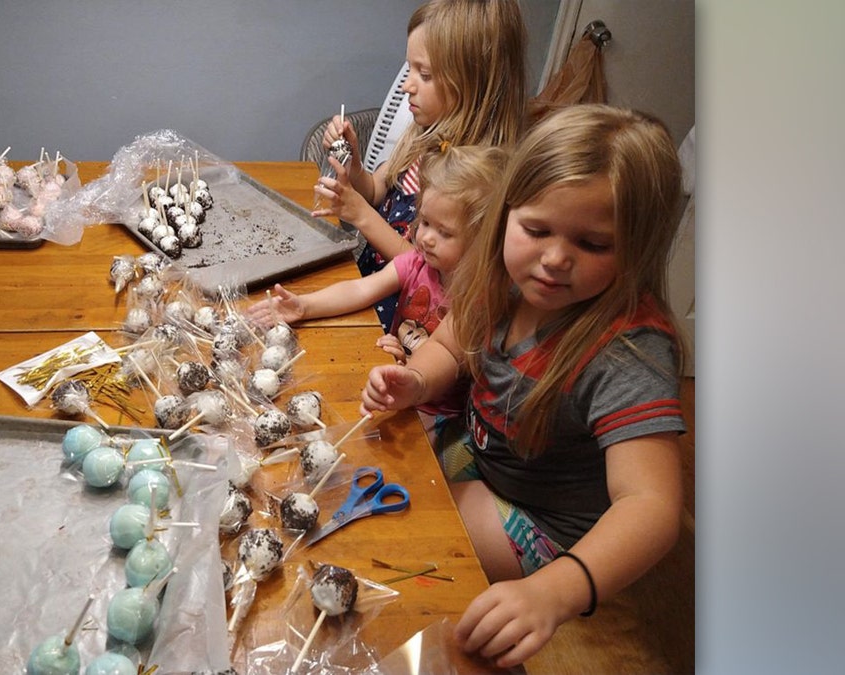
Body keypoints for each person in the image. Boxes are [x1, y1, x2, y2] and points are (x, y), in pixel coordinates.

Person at [360, 104, 687, 668]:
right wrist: (417, 380)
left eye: (594, 244)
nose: (555, 259)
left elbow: (652, 505)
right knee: (379, 471)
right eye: (537, 230)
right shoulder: (499, 278)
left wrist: (556, 591)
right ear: (505, 215)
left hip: (550, 526)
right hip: (487, 459)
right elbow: (448, 345)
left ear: (637, 248)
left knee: (406, 531)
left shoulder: (629, 351)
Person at [246, 145, 506, 441]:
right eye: (425, 222)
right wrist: (305, 306)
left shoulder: (480, 298)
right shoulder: (419, 262)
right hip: (393, 381)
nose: (426, 238)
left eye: (444, 232)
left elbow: (445, 358)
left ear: (485, 240)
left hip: (440, 415)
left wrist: (411, 372)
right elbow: (361, 288)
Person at [312, 0, 526, 333]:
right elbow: (375, 189)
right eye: (409, 69)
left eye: (424, 74)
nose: (406, 85)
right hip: (369, 287)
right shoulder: (421, 134)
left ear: (474, 83)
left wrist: (360, 215)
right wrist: (354, 164)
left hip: (410, 319)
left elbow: (421, 262)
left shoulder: (476, 177)